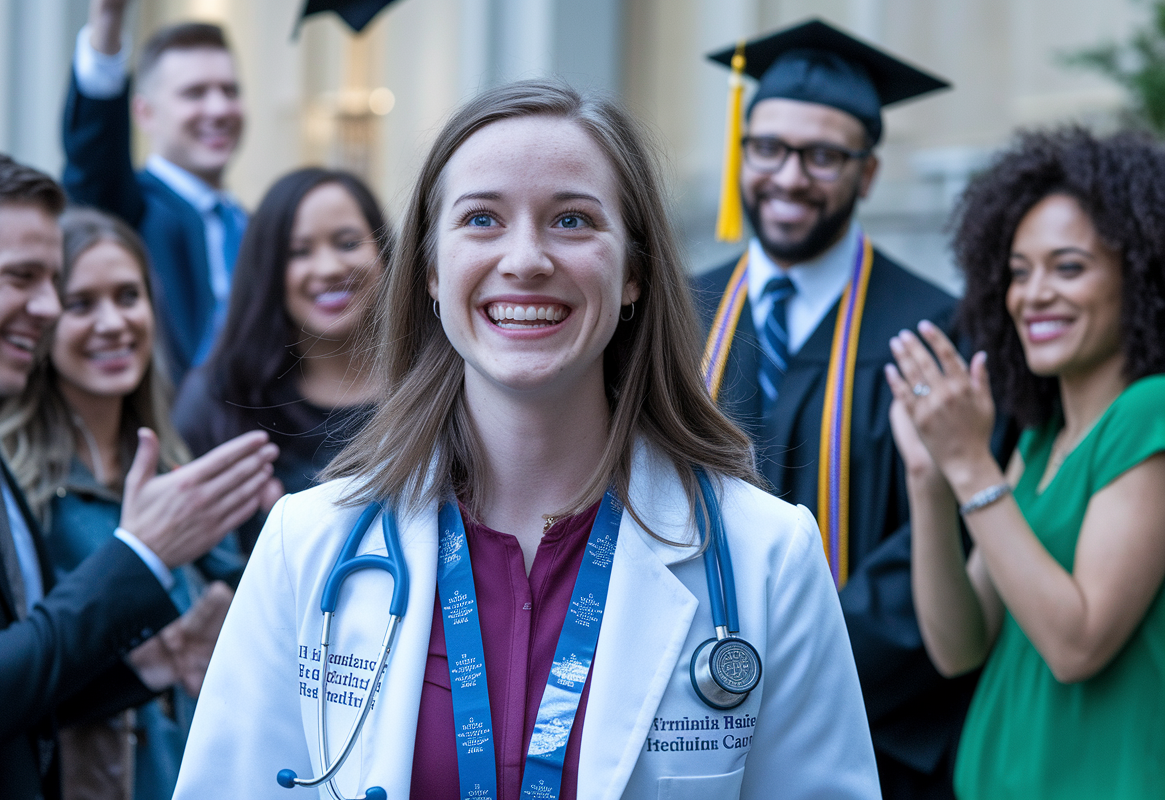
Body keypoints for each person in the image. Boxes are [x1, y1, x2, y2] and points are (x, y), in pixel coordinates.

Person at [173, 79, 881, 800]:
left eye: (572, 221)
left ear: (633, 271)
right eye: (481, 219)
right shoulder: (309, 543)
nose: (526, 259)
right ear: (429, 271)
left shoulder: (768, 556)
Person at [0, 148, 277, 800]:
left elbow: (14, 693)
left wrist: (148, 665)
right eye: (23, 277)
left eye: (51, 281)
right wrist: (140, 556)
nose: (45, 307)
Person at [694, 19, 969, 797]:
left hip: (870, 728)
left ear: (869, 173)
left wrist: (793, 673)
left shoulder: (934, 330)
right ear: (741, 153)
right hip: (685, 717)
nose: (788, 176)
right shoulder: (677, 316)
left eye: (822, 156)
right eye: (768, 148)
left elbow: (936, 539)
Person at [888, 129, 1165, 799]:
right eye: (1018, 271)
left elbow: (1077, 646)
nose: (1033, 294)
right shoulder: (1039, 441)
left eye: (1068, 267)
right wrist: (931, 480)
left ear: (1141, 276)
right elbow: (960, 646)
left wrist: (971, 466)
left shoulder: (1150, 414)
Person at [0, 207, 273, 799]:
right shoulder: (11, 487)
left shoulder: (176, 468)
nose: (113, 322)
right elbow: (4, 690)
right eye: (82, 304)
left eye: (128, 296)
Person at [173, 168, 387, 553]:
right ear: (268, 271)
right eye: (299, 252)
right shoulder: (219, 400)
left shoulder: (437, 381)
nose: (329, 268)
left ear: (384, 254)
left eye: (348, 242)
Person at [62, 0, 246, 383]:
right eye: (194, 93)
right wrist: (108, 22)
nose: (218, 108)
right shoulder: (130, 209)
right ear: (144, 112)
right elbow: (94, 157)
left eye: (230, 91)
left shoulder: (249, 223)